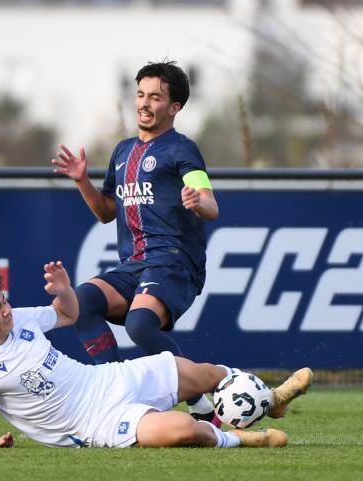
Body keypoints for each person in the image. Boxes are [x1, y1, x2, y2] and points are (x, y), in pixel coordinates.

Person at [0, 261, 312, 449]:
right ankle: (243, 438)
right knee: (185, 429)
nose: (6, 310)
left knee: (201, 373)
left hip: (107, 379)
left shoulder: (22, 319)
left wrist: (64, 290)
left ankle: (270, 398)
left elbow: (69, 314)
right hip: (94, 424)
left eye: (4, 301)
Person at [52, 60, 220, 423]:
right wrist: (82, 180)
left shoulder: (181, 149)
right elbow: (105, 212)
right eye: (140, 94)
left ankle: (200, 404)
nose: (144, 103)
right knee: (81, 302)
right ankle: (117, 394)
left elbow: (210, 203)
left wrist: (198, 200)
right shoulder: (123, 151)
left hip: (174, 262)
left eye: (155, 97)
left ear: (174, 107)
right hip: (134, 264)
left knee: (140, 325)